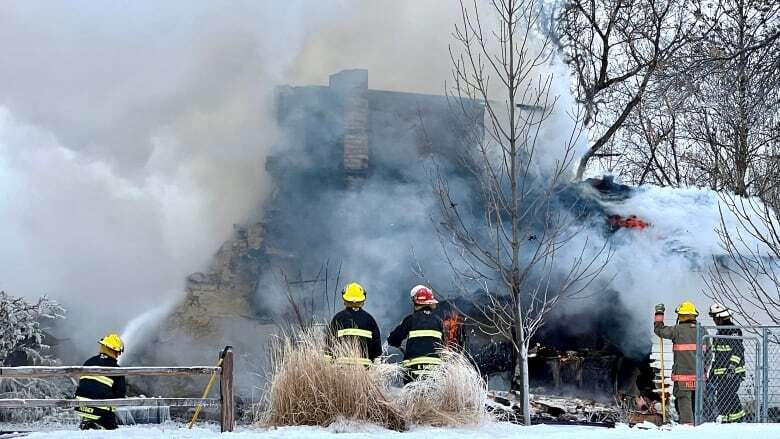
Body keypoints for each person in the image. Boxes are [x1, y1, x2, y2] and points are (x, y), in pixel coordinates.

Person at [388, 285, 444, 383]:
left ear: (415, 302)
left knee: (412, 395)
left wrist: (396, 343)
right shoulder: (439, 322)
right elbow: (442, 344)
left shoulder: (410, 320)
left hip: (413, 368)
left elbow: (393, 339)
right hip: (435, 369)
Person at [654, 301, 698, 425]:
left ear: (681, 316)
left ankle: (687, 429)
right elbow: (709, 353)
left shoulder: (677, 330)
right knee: (697, 403)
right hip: (699, 377)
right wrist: (704, 370)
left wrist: (659, 313)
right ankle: (699, 426)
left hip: (683, 377)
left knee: (684, 402)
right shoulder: (703, 331)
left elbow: (659, 330)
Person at [74, 333, 126, 430]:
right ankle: (96, 425)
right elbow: (120, 395)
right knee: (113, 432)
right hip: (102, 410)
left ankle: (89, 424)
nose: (118, 355)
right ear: (113, 350)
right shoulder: (116, 369)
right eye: (118, 352)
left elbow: (83, 383)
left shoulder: (88, 362)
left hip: (81, 406)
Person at [707, 303, 746, 423]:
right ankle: (727, 420)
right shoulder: (719, 333)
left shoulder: (733, 331)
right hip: (721, 374)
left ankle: (738, 420)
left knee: (729, 394)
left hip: (733, 372)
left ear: (720, 317)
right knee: (723, 396)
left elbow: (738, 351)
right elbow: (717, 357)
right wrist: (712, 373)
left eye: (714, 317)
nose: (713, 320)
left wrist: (732, 367)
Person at [327, 282, 382, 366]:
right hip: (365, 370)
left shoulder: (338, 318)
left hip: (341, 369)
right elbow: (377, 352)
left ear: (345, 300)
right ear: (362, 300)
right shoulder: (370, 320)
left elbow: (329, 346)